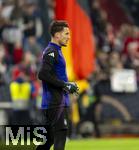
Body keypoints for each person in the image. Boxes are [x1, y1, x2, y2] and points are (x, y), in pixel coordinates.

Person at [36, 20, 79, 150]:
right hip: (56, 102)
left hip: (54, 102)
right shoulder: (52, 51)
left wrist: (66, 85)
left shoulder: (56, 51)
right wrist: (64, 85)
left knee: (48, 141)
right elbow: (42, 74)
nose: (68, 37)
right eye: (66, 33)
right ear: (57, 35)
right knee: (60, 137)